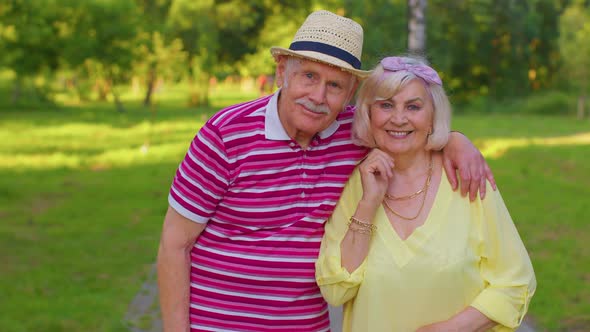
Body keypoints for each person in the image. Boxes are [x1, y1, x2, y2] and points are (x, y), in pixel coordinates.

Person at [157, 10, 495, 332]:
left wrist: (454, 140)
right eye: (309, 76)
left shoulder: (357, 133)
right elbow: (175, 244)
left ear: (350, 93)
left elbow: (409, 130)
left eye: (335, 85)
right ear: (281, 71)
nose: (317, 96)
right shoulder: (226, 135)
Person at [315, 56, 536, 332]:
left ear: (433, 116)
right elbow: (336, 291)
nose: (398, 118)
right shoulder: (354, 185)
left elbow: (515, 282)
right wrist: (368, 203)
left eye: (413, 106)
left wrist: (453, 328)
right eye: (385, 105)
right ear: (368, 115)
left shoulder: (466, 177)